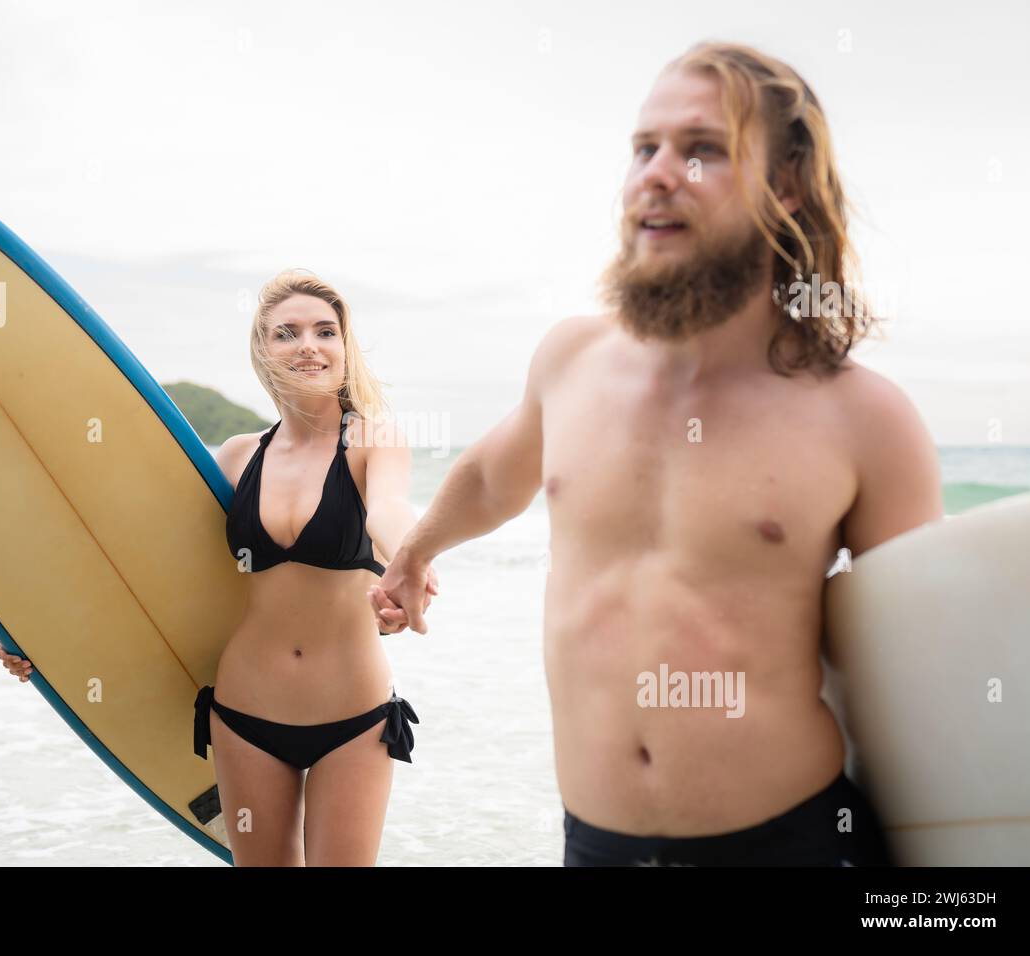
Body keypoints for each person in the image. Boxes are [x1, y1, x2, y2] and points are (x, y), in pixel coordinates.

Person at [366, 41, 943, 866]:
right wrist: (416, 550)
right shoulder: (570, 362)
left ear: (784, 186)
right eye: (646, 148)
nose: (657, 173)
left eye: (701, 149)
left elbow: (924, 673)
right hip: (594, 843)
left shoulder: (865, 419)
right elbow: (496, 476)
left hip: (791, 844)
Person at [0, 269, 437, 865]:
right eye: (287, 333)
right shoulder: (236, 457)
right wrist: (42, 638)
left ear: (344, 346)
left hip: (353, 717)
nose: (308, 344)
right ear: (263, 351)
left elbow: (389, 508)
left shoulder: (372, 439)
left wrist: (411, 555)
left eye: (325, 331)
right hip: (245, 714)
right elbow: (136, 564)